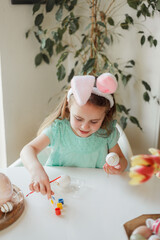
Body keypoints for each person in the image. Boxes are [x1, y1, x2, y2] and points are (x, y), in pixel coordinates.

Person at [20, 73, 128, 199]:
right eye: (78, 118)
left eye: (94, 122)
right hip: (58, 191)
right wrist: (36, 171)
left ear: (106, 114)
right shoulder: (58, 129)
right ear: (69, 107)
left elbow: (122, 160)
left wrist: (119, 166)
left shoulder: (106, 132)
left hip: (95, 193)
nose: (85, 127)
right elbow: (27, 150)